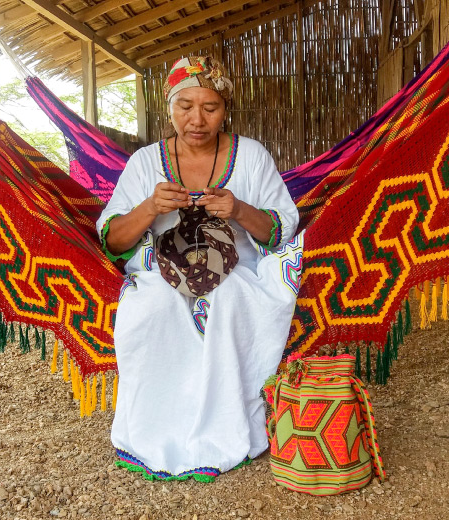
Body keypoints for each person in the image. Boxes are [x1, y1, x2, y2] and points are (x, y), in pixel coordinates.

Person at [97, 56, 303, 481]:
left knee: (227, 301)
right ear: (168, 107)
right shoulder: (144, 164)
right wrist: (150, 207)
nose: (196, 119)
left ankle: (225, 429)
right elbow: (114, 240)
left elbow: (279, 232)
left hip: (236, 272)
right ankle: (155, 432)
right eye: (185, 106)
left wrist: (240, 209)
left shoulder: (251, 157)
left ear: (225, 109)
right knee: (152, 306)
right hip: (159, 272)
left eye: (210, 108)